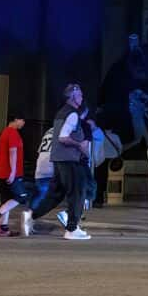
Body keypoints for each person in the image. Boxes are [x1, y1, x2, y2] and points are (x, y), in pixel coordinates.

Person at [36, 84, 93, 241]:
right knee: (77, 193)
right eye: (80, 95)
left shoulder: (61, 113)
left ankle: (30, 215)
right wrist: (78, 145)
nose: (82, 98)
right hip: (70, 159)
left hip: (60, 159)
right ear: (73, 97)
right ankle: (72, 228)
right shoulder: (72, 114)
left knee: (54, 195)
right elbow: (63, 137)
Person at [0, 116, 27, 233]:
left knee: (7, 200)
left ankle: (3, 228)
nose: (24, 123)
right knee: (21, 197)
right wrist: (13, 172)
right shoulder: (12, 132)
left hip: (1, 172)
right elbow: (12, 152)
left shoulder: (4, 132)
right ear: (16, 119)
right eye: (23, 120)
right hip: (9, 172)